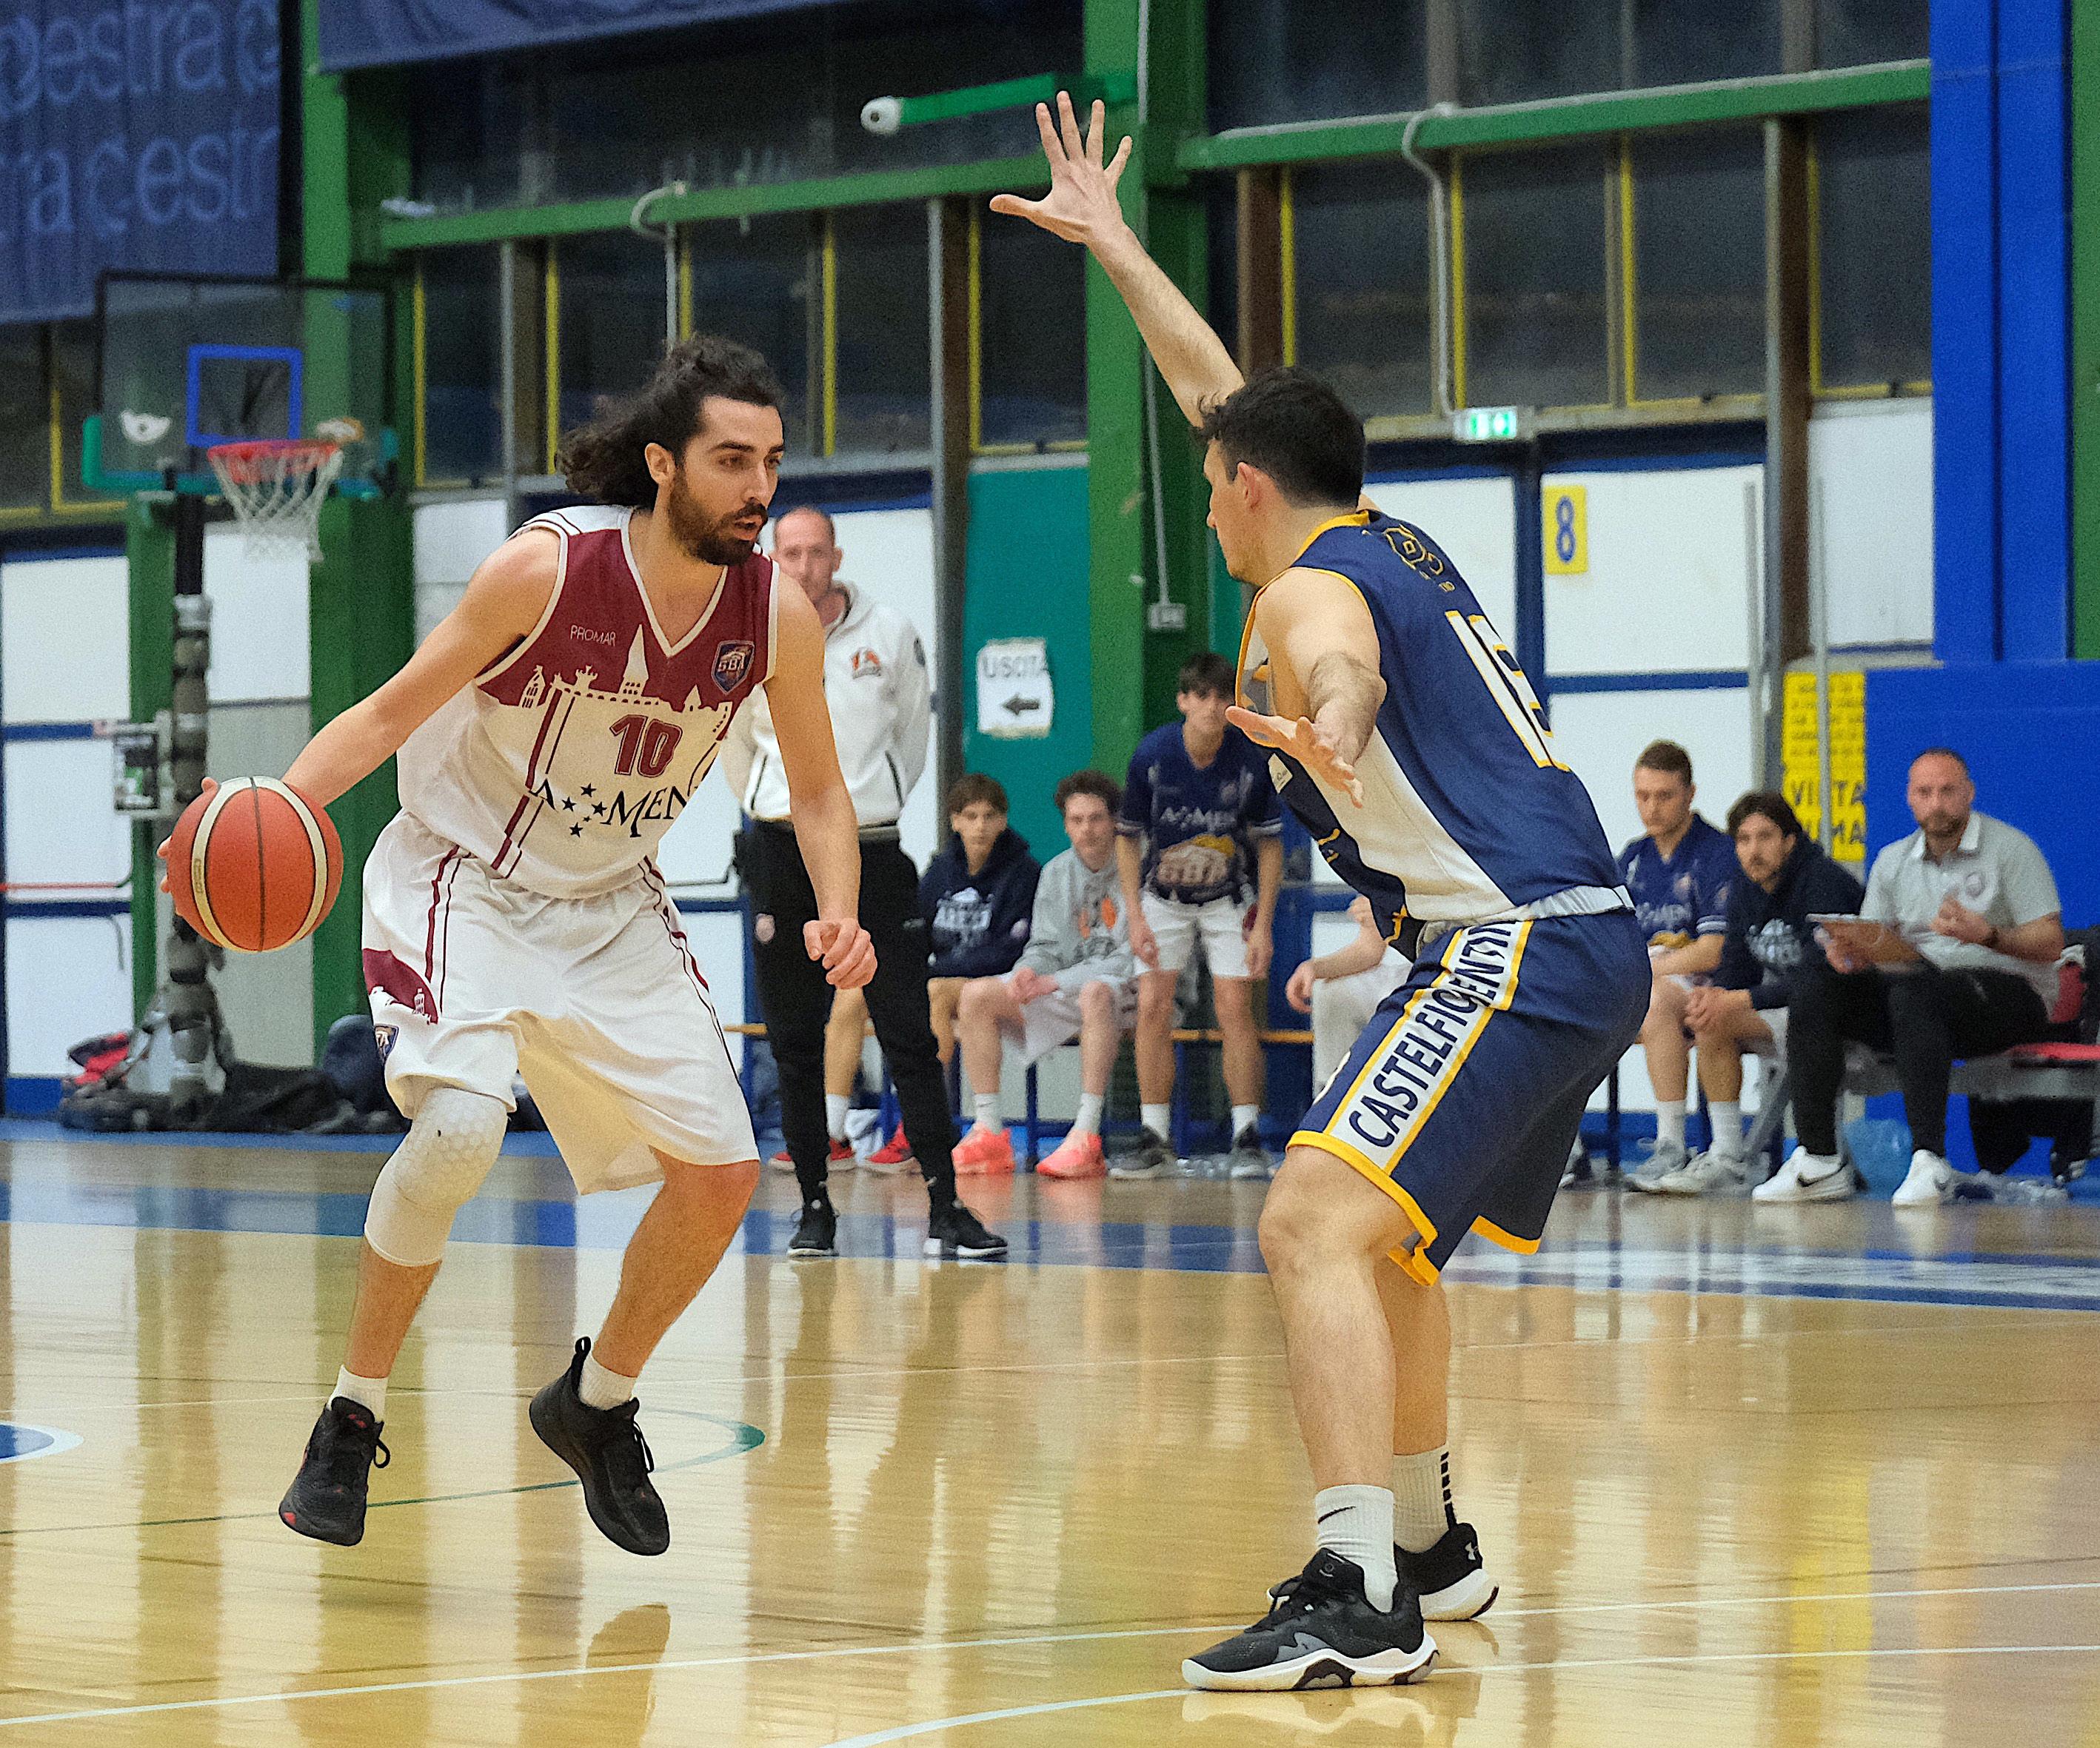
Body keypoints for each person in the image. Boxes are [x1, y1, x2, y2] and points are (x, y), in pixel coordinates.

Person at [994, 94, 1646, 1691]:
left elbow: (1334, 663)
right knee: (1385, 1243)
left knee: (1304, 1218)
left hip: (1516, 949)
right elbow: (1219, 395)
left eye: (1209, 480)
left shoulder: (1304, 592)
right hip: (1567, 941)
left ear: (1235, 489)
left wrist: (1332, 721)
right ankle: (1423, 1544)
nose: (1205, 492)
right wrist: (1120, 247)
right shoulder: (1387, 532)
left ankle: (1357, 1590)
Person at [224, 336, 876, 1557]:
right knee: (464, 1129)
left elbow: (824, 793)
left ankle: (597, 1400)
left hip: (609, 903)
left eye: (772, 463)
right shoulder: (543, 571)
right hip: (464, 879)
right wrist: (269, 813)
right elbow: (385, 713)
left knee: (725, 1174)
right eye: (732, 461)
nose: (759, 488)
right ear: (660, 464)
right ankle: (350, 1414)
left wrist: (840, 905)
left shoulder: (771, 612)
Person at [722, 508, 1005, 1262]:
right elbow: (733, 735)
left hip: (875, 850)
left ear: (835, 557)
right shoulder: (749, 634)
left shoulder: (890, 632)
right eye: (790, 553)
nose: (804, 565)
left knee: (910, 1032)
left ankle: (946, 1206)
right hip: (780, 852)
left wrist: (866, 800)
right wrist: (767, 799)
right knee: (794, 1040)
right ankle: (814, 1206)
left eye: (816, 552)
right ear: (771, 558)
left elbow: (913, 735)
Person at [1759, 749, 2064, 1207]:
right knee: (1818, 982)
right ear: (1910, 799)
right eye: (1925, 792)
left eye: (1948, 790)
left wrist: (1990, 934)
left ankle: (1930, 1160)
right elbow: (1874, 944)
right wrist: (1851, 956)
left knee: (1917, 988)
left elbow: (2051, 942)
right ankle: (1819, 1159)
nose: (1937, 802)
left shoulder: (2010, 849)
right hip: (1917, 996)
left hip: (2006, 994)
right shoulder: (1892, 861)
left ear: (1969, 794)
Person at [1114, 652, 1284, 1181]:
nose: (1214, 706)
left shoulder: (1250, 758)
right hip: (1162, 896)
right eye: (1203, 696)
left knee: (1235, 1005)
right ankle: (1154, 1134)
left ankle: (1247, 1133)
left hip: (1229, 895)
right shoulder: (1153, 755)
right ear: (1184, 701)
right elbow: (1127, 838)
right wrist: (1136, 916)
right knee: (1152, 1004)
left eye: (1224, 696)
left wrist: (1264, 925)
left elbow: (1271, 846)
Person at [1649, 792, 1864, 1196]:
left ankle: (1817, 1158)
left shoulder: (1822, 883)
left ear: (1790, 841)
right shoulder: (1747, 890)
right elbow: (1735, 964)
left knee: (1732, 1009)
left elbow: (1821, 975)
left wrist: (1738, 1000)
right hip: (1790, 1006)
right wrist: (1715, 996)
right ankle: (1729, 1157)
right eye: (1743, 840)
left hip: (1842, 1011)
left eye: (1765, 837)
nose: (1753, 851)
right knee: (1712, 1018)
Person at [952, 771, 1137, 1179]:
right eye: (1076, 820)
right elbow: (1046, 946)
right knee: (976, 996)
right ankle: (989, 1132)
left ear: (1114, 821)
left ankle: (1087, 1136)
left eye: (1096, 818)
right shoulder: (1055, 872)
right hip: (1068, 988)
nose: (1086, 829)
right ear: (1066, 823)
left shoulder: (1136, 867)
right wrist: (1026, 971)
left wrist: (1056, 981)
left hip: (1130, 995)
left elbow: (1132, 961)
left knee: (1095, 992)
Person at [864, 773, 1041, 1171]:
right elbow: (917, 933)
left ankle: (918, 1125)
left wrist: (935, 972)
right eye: (970, 816)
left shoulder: (1024, 872)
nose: (980, 826)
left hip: (999, 984)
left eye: (989, 816)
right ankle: (833, 1131)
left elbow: (1009, 949)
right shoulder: (941, 871)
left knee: (935, 994)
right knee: (851, 998)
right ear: (954, 821)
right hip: (943, 981)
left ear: (1003, 820)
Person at [1615, 741, 1737, 1191]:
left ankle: (1671, 1142)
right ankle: (1565, 1149)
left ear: (1690, 793)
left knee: (1656, 998)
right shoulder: (1631, 859)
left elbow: (1713, 951)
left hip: (1705, 986)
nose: (1652, 808)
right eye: (1643, 795)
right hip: (1645, 982)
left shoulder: (1716, 853)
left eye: (1664, 796)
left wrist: (1649, 972)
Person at [1285, 895, 1405, 1091]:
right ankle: (1330, 1096)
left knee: (1397, 999)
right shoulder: (1382, 866)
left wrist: (1401, 909)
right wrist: (1314, 968)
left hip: (1453, 970)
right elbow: (1369, 951)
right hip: (1401, 975)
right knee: (1332, 993)